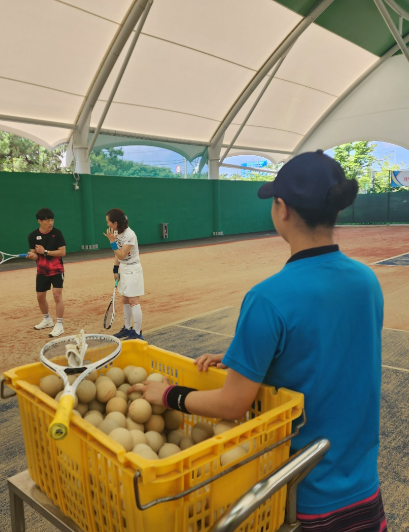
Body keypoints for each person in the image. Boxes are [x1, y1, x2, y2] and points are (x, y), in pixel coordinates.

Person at [131, 151, 387, 532]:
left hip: (303, 496)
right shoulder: (366, 281)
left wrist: (166, 395)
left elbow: (233, 404)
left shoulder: (268, 298)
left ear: (282, 209)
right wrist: (244, 357)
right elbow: (331, 353)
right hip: (364, 491)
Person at [103, 208, 144, 340]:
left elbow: (121, 253)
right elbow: (118, 255)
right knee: (125, 299)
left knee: (133, 300)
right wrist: (115, 270)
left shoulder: (130, 235)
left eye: (108, 222)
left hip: (133, 270)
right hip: (124, 269)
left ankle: (137, 333)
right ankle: (127, 328)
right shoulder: (117, 232)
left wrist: (111, 241)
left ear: (115, 223)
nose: (107, 225)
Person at [26, 207, 66, 338]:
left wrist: (45, 252)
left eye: (52, 220)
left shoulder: (57, 233)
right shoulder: (32, 236)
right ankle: (47, 320)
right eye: (47, 220)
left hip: (57, 269)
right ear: (39, 221)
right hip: (42, 271)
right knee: (40, 296)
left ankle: (59, 324)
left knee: (57, 295)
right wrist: (32, 255)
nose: (51, 223)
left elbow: (62, 252)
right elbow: (35, 255)